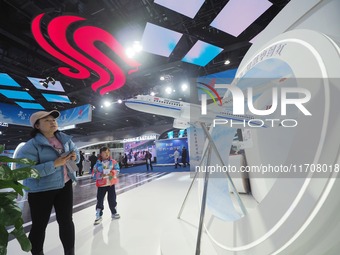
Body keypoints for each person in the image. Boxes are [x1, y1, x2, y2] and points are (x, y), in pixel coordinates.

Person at [17, 110, 79, 255]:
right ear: (37, 126)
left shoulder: (66, 139)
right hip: (41, 191)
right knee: (39, 226)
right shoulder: (30, 146)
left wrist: (75, 157)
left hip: (65, 185)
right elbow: (24, 171)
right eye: (47, 120)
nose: (52, 122)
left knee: (66, 222)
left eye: (53, 120)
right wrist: (54, 164)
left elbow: (76, 155)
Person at [93, 147, 120, 225]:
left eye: (108, 152)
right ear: (101, 154)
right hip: (101, 185)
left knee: (112, 199)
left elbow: (118, 170)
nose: (107, 154)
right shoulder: (97, 164)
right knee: (100, 200)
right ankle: (98, 216)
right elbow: (93, 174)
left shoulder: (114, 162)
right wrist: (100, 175)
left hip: (111, 184)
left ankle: (114, 213)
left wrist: (112, 173)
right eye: (105, 153)